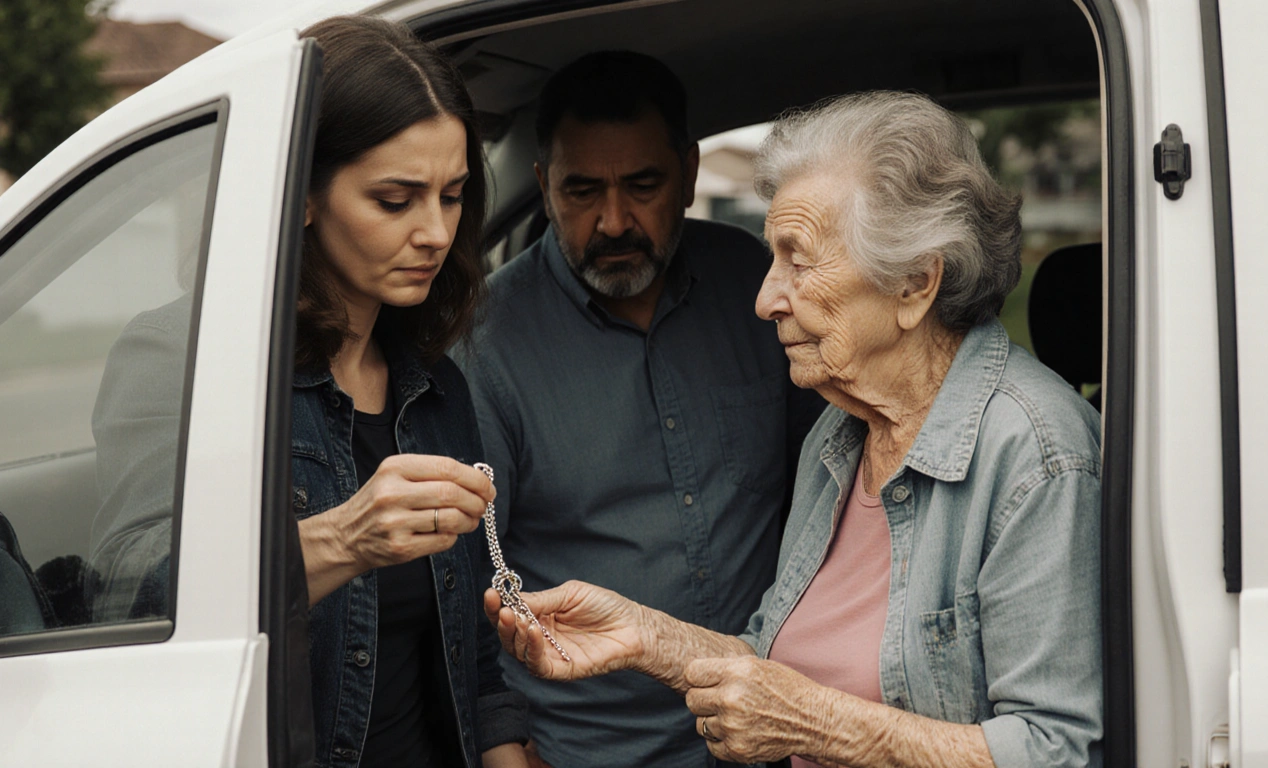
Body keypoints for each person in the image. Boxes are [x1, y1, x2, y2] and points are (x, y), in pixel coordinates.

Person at [487, 91, 1103, 768]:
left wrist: (813, 725)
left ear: (914, 285)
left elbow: (1059, 750)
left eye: (798, 260)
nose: (764, 297)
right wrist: (646, 638)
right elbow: (769, 658)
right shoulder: (841, 435)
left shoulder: (1035, 455)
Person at [88, 16, 530, 768]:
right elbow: (128, 596)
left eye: (452, 196)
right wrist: (343, 539)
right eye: (396, 199)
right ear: (299, 195)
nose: (436, 232)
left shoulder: (436, 385)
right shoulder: (186, 357)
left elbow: (475, 667)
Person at [453, 51, 825, 767]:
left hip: (780, 729)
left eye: (643, 185)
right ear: (543, 186)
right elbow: (465, 581)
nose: (614, 220)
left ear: (688, 174)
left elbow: (833, 487)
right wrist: (504, 750)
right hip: (593, 749)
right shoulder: (484, 343)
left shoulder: (760, 287)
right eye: (583, 191)